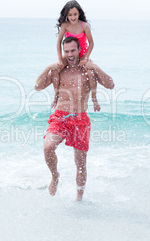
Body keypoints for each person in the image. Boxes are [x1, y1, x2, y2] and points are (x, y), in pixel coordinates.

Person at [35, 37, 115, 201]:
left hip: (80, 119)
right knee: (48, 147)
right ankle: (55, 176)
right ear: (63, 51)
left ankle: (79, 199)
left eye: (73, 50)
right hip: (60, 117)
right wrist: (48, 68)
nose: (70, 55)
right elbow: (38, 86)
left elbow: (111, 84)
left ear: (79, 50)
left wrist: (95, 66)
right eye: (67, 51)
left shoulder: (88, 70)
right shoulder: (59, 70)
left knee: (80, 165)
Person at [51, 0, 100, 113]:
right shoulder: (65, 25)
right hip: (69, 55)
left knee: (91, 73)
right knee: (54, 70)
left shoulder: (85, 26)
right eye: (70, 15)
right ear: (66, 16)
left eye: (75, 14)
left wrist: (86, 57)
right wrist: (60, 58)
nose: (73, 17)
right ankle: (56, 96)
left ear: (79, 14)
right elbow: (58, 43)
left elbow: (91, 44)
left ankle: (94, 98)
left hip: (82, 55)